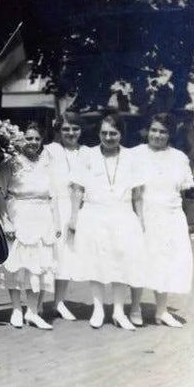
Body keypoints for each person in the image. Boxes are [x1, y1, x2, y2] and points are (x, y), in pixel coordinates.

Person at [68, 112, 148, 330]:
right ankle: (98, 309)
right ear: (99, 134)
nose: (108, 137)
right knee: (96, 261)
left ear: (121, 133)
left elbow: (138, 193)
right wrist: (74, 217)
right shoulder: (88, 156)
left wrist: (141, 220)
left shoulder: (132, 157)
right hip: (94, 214)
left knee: (121, 262)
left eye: (113, 133)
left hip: (123, 215)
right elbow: (77, 189)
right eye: (104, 133)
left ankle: (119, 311)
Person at [0, 122, 60, 330]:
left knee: (37, 266)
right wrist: (5, 220)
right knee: (16, 264)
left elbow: (53, 196)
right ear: (22, 139)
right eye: (29, 138)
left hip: (42, 218)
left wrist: (56, 222)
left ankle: (32, 311)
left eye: (37, 139)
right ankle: (16, 309)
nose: (33, 142)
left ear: (41, 141)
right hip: (19, 215)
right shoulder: (10, 164)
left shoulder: (47, 165)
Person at [130, 113, 194, 327]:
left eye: (163, 131)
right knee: (140, 261)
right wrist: (137, 219)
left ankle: (161, 311)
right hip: (144, 214)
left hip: (171, 216)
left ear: (170, 134)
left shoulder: (179, 158)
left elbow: (182, 194)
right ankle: (135, 307)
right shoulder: (136, 154)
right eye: (154, 130)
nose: (157, 135)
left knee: (165, 262)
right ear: (147, 131)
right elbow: (134, 192)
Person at [45, 110, 84, 321]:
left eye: (75, 128)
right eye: (66, 129)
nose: (71, 133)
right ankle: (36, 303)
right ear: (59, 130)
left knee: (66, 256)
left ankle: (59, 302)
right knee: (47, 255)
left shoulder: (85, 152)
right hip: (52, 207)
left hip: (75, 208)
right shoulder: (50, 150)